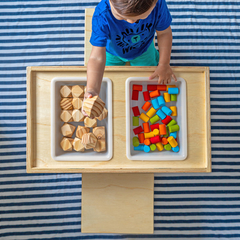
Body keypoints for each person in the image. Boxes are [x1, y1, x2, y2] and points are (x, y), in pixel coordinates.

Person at [83, 0, 176, 115]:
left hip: (144, 50)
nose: (131, 22)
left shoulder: (158, 4)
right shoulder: (102, 15)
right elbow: (97, 58)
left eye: (140, 18)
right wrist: (92, 89)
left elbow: (164, 33)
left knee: (149, 79)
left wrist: (163, 64)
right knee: (111, 81)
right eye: (121, 17)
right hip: (112, 54)